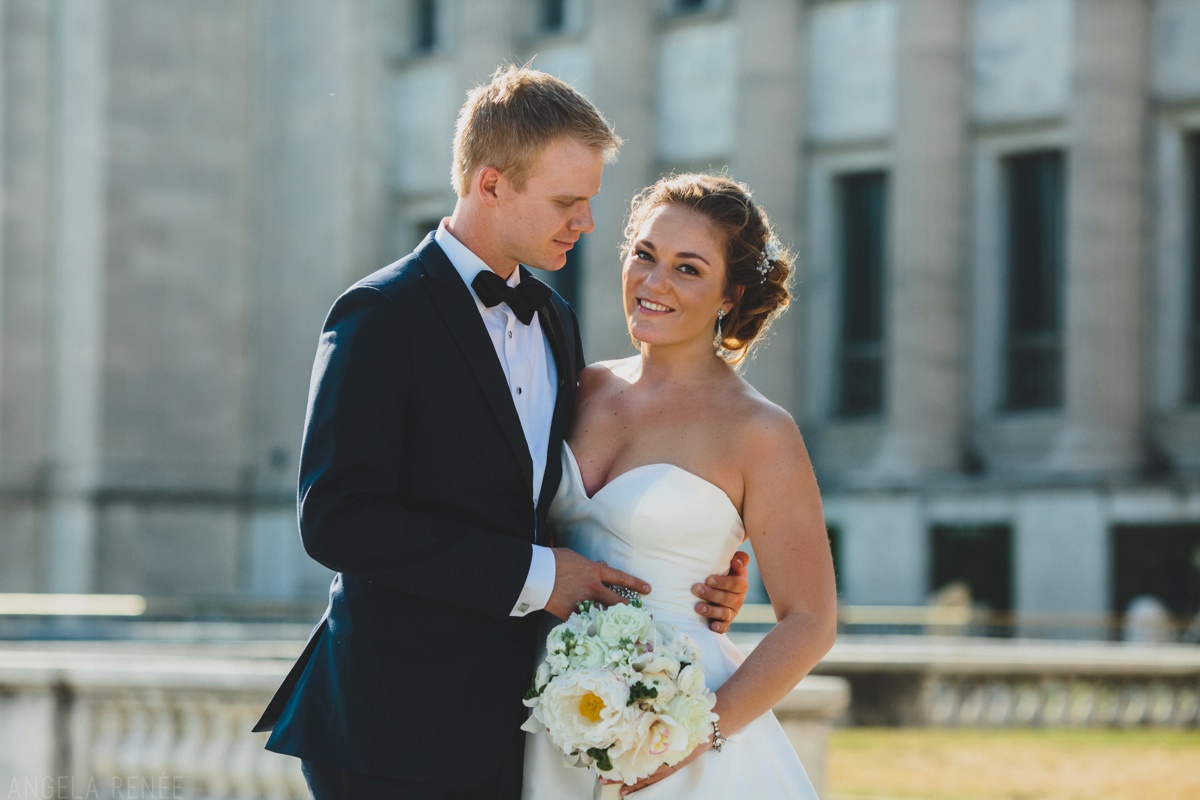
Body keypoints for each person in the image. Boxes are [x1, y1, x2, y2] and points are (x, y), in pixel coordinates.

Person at [251, 66, 749, 800]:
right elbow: (337, 518)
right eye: (566, 202)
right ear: (490, 185)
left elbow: (558, 498)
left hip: (516, 726)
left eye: (590, 203)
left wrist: (696, 572)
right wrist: (540, 577)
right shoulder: (379, 315)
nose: (585, 223)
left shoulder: (554, 318)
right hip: (389, 728)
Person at [521, 173, 839, 798]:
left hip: (675, 726)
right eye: (644, 255)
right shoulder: (576, 386)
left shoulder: (760, 431)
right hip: (546, 712)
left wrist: (690, 738)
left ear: (730, 294)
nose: (654, 282)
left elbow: (810, 620)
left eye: (688, 268)